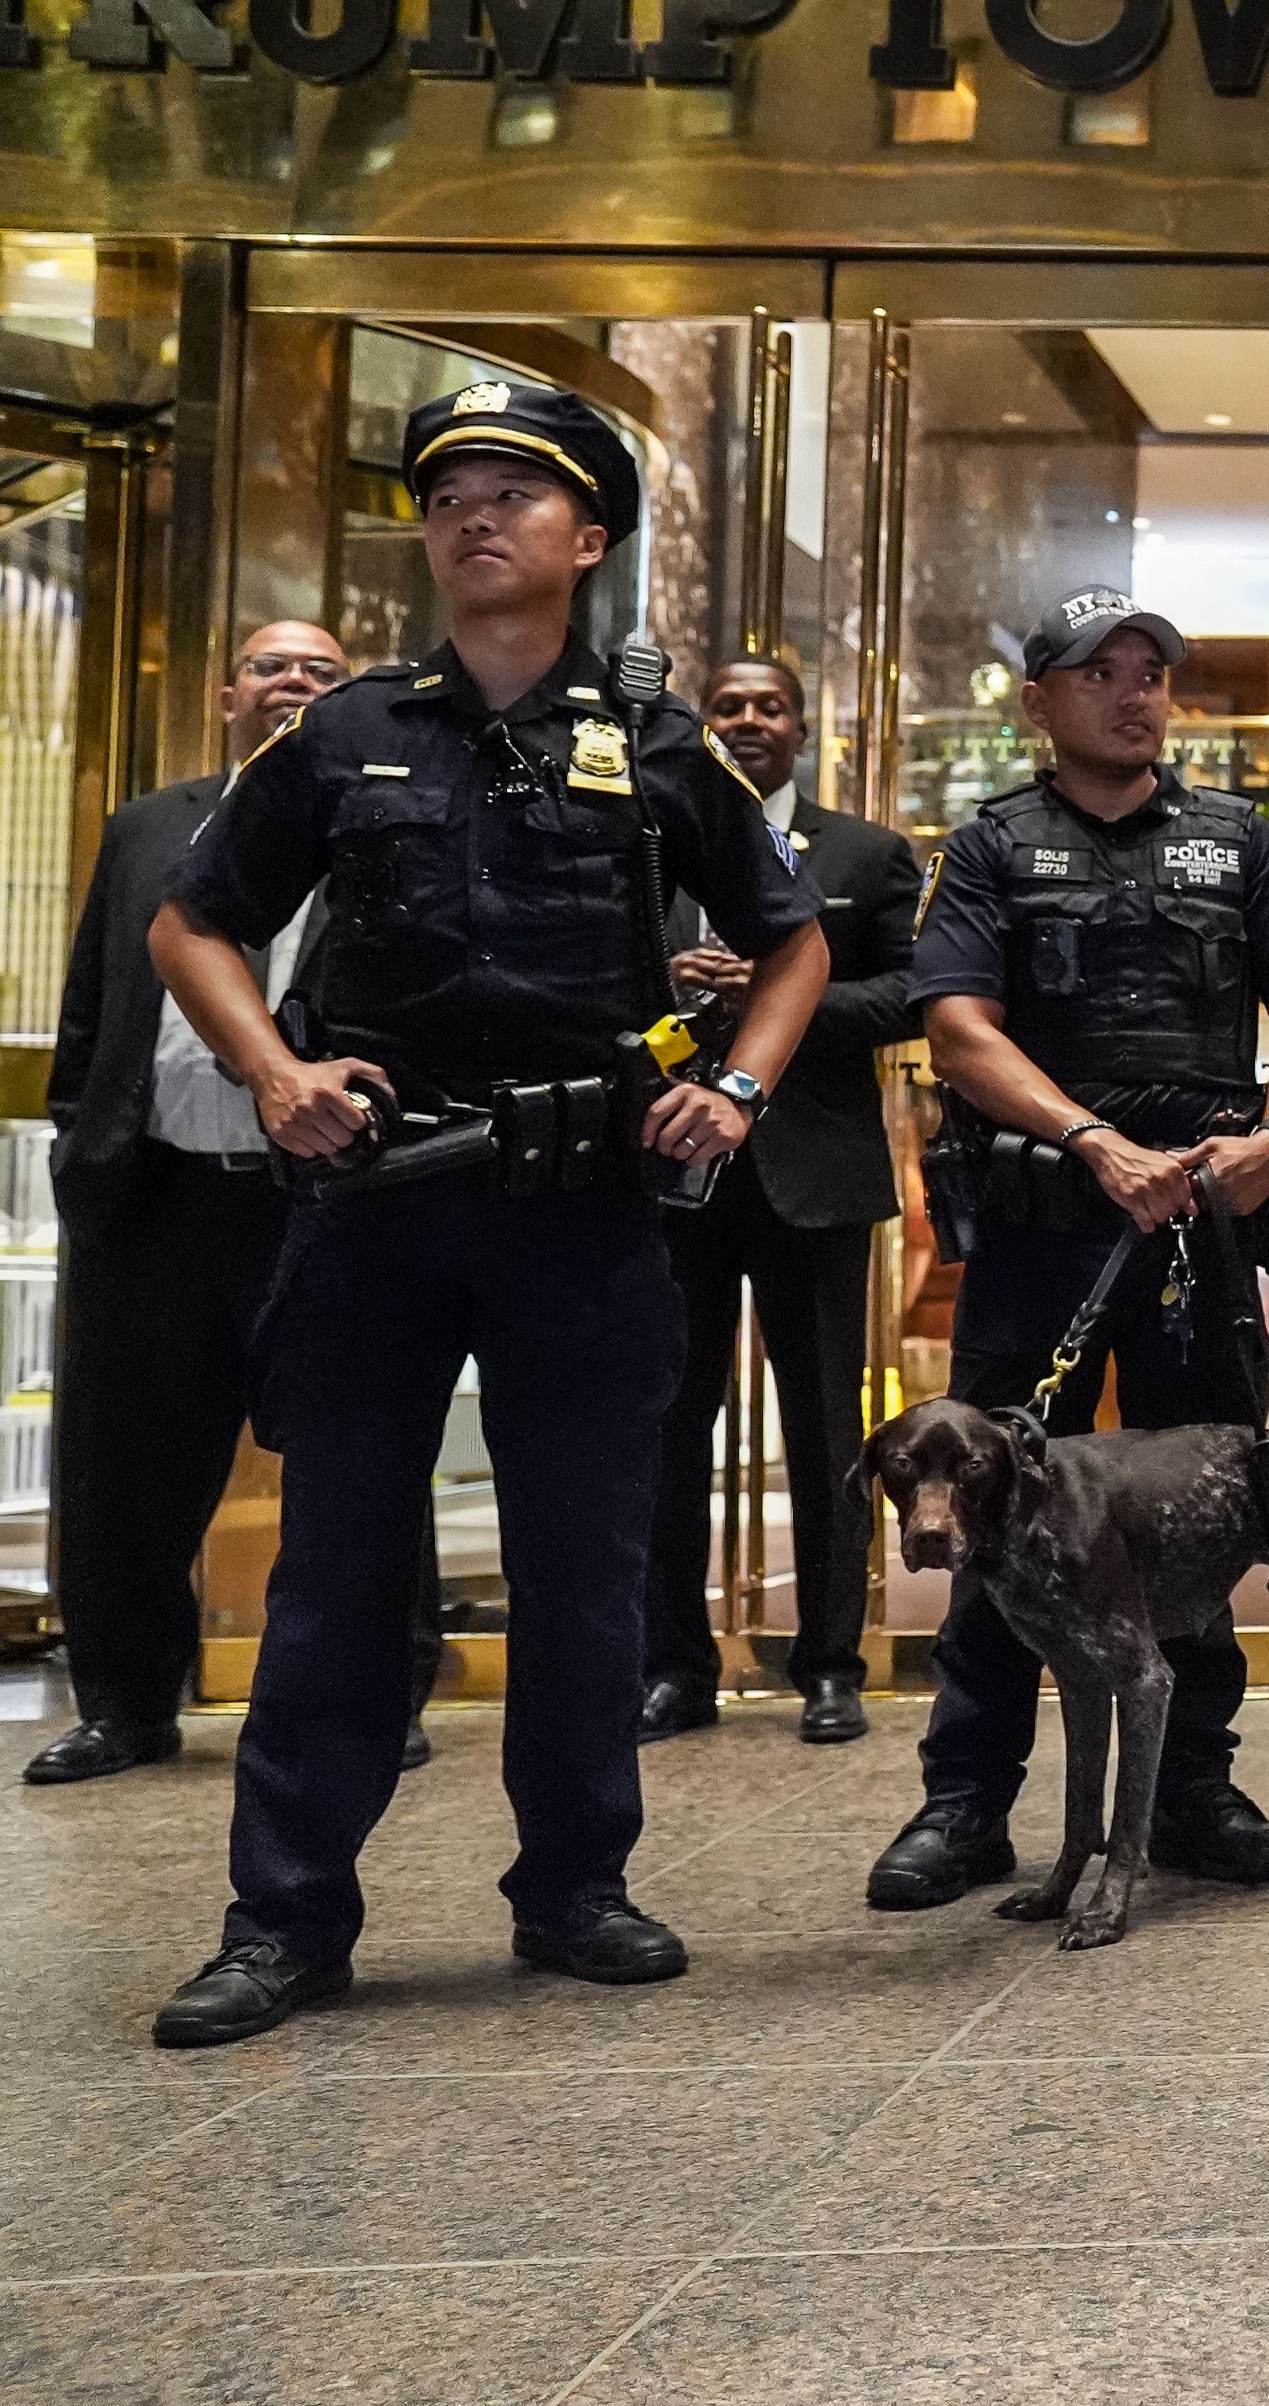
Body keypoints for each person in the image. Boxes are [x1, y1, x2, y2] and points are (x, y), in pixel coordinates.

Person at [142, 380, 828, 2047]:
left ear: (586, 538)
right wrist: (269, 1072)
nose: (475, 516)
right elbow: (193, 923)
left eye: (518, 494)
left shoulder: (658, 741)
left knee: (584, 1564)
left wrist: (733, 1087)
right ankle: (286, 1916)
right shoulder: (348, 732)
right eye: (451, 493)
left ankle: (575, 1886)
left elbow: (791, 934)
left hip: (583, 1210)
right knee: (337, 1568)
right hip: (376, 1203)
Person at [861, 588, 1269, 1914]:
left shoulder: (1238, 842)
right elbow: (957, 1026)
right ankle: (965, 1805)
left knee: (1204, 1508)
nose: (1135, 695)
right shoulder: (993, 846)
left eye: (1151, 674)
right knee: (986, 1512)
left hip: (1194, 1219)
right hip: (1042, 1229)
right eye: (1100, 674)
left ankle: (1193, 1784)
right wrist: (1088, 1140)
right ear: (1039, 702)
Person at [25, 620, 446, 1789]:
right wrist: (85, 1142)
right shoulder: (147, 825)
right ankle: (124, 1704)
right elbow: (91, 1009)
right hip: (150, 1197)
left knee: (356, 1452)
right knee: (124, 1472)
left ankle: (383, 1690)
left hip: (313, 1198)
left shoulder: (374, 823)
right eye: (272, 668)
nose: (294, 686)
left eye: (320, 673)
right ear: (227, 696)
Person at [637, 655, 922, 1749]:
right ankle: (673, 1666)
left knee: (825, 1427)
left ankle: (834, 1666)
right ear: (701, 727)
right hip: (670, 1177)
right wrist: (675, 989)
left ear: (804, 730)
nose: (749, 721)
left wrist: (776, 992)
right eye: (728, 707)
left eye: (770, 708)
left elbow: (912, 993)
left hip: (815, 1176)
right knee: (668, 1427)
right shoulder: (646, 840)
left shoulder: (864, 853)